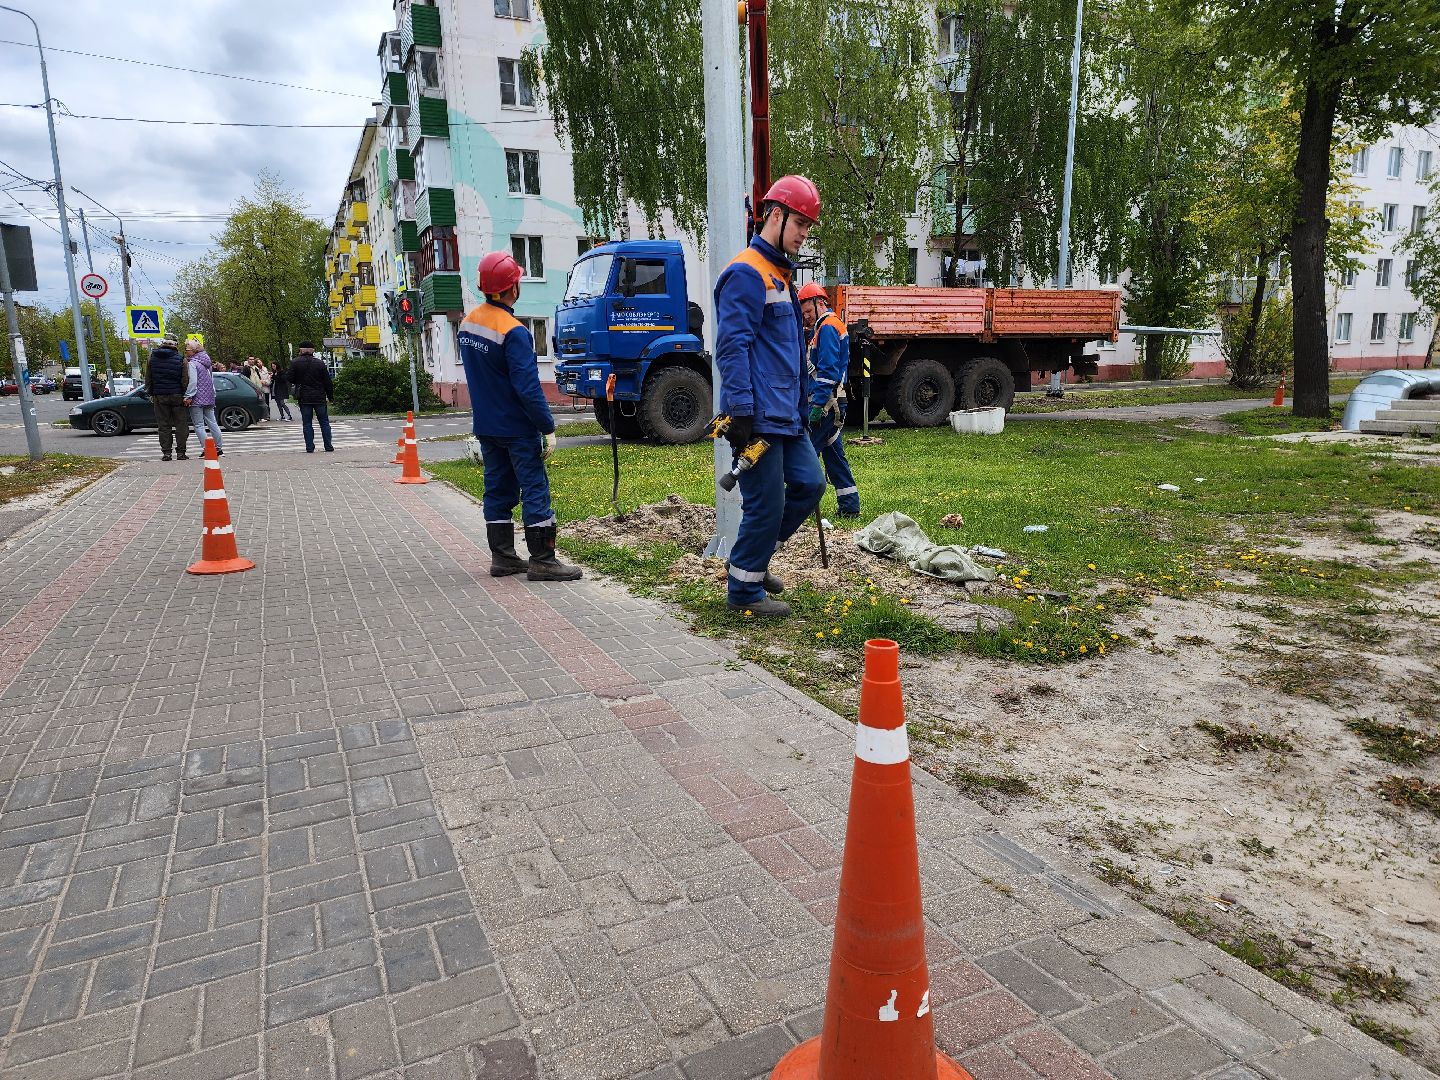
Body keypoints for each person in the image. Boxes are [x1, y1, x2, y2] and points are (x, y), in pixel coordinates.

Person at [714, 175, 827, 617]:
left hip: (786, 415)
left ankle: (754, 559)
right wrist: (740, 412)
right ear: (776, 216)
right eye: (800, 223)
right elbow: (732, 348)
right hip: (758, 416)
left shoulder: (781, 276)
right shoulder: (747, 273)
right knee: (767, 504)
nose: (804, 234)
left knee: (811, 484)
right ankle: (743, 592)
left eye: (808, 227)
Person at [459, 250, 581, 582]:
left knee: (497, 489)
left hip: (486, 425)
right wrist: (547, 427)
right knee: (535, 489)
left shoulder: (468, 324)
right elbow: (527, 388)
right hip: (517, 428)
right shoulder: (514, 331)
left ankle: (503, 558)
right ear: (513, 287)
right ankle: (543, 560)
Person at [797, 282, 860, 518]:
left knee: (805, 455)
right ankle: (849, 506)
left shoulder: (828, 328)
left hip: (826, 403)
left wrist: (816, 405)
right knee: (834, 457)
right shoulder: (823, 328)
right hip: (832, 402)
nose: (806, 317)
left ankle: (799, 508)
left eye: (808, 311)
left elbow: (828, 371)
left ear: (820, 303)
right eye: (803, 313)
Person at [146, 336, 189, 461]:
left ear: (162, 344)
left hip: (159, 396)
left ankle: (167, 453)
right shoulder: (181, 359)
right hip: (177, 395)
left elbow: (148, 378)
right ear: (175, 345)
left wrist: (151, 392)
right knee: (181, 425)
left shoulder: (152, 358)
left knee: (164, 426)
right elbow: (185, 379)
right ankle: (181, 453)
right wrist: (184, 392)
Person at [289, 343, 334, 452]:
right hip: (319, 397)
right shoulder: (320, 363)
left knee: (307, 423)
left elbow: (289, 378)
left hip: (304, 397)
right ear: (312, 350)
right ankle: (328, 446)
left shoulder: (295, 362)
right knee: (324, 422)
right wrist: (330, 397)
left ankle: (309, 447)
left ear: (301, 350)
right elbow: (327, 382)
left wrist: (298, 381)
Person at [183, 339, 224, 455]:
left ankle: (208, 450)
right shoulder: (207, 363)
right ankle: (219, 448)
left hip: (197, 398)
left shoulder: (192, 363)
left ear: (194, 351)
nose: (186, 352)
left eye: (187, 349)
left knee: (199, 425)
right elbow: (211, 380)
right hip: (209, 396)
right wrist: (213, 394)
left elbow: (193, 382)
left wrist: (188, 396)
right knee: (212, 423)